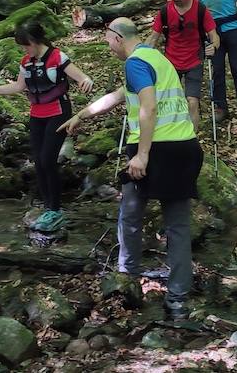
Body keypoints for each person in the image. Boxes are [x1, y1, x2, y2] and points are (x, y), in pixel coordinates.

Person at [59, 17, 204, 321]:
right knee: (177, 225)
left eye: (107, 41)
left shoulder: (135, 63)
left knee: (131, 214)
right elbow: (119, 97)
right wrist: (82, 115)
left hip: (158, 150)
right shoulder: (155, 57)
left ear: (116, 37)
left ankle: (127, 278)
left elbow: (148, 106)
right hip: (184, 147)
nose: (108, 47)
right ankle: (177, 299)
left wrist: (142, 155)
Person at [0, 21, 95, 233]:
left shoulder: (57, 58)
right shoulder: (26, 62)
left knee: (48, 159)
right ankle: (48, 206)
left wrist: (86, 81)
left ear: (35, 41)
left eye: (25, 45)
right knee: (38, 162)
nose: (24, 50)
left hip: (58, 113)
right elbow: (19, 86)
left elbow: (81, 76)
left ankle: (55, 210)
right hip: (37, 115)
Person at [151, 0, 219, 125]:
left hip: (194, 61)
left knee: (192, 102)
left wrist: (213, 46)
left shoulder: (200, 10)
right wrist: (142, 53)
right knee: (167, 101)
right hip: (170, 62)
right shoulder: (164, 12)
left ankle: (192, 139)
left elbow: (214, 35)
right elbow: (154, 37)